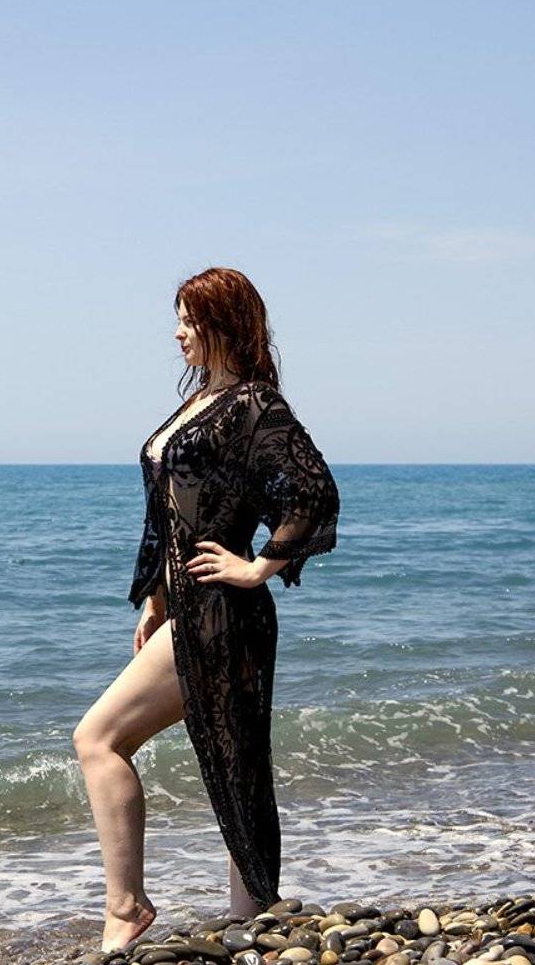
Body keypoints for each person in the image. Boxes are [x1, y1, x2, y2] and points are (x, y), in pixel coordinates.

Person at [72, 267, 341, 953]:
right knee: (232, 760)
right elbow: (167, 517)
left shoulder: (254, 403)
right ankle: (255, 917)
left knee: (100, 739)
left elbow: (313, 491)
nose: (178, 333)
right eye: (180, 319)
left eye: (191, 320)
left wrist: (257, 566)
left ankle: (127, 908)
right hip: (187, 607)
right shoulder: (199, 403)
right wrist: (155, 599)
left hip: (223, 608)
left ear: (226, 324)